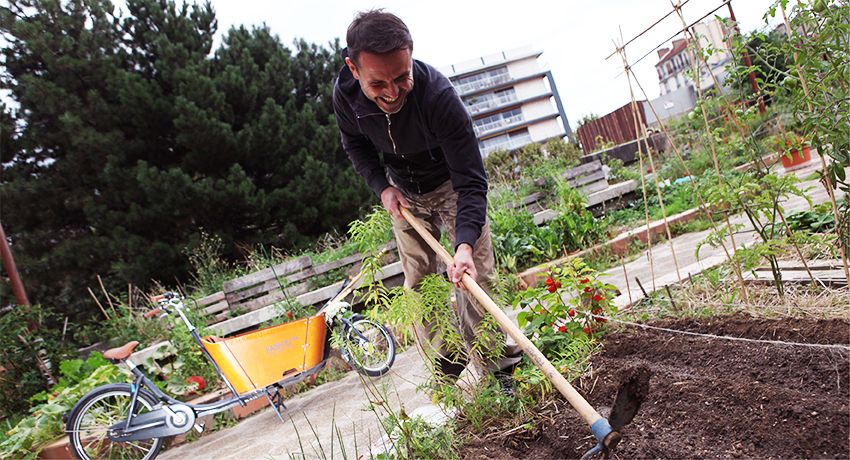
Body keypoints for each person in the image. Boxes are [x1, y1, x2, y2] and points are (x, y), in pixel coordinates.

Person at [332, 9, 523, 395]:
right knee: (419, 280)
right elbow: (355, 145)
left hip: (452, 185)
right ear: (354, 69)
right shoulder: (346, 96)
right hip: (402, 191)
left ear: (411, 55)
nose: (391, 92)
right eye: (378, 83)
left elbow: (471, 182)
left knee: (474, 277)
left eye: (401, 77)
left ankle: (499, 369)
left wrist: (464, 245)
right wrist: (381, 187)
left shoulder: (438, 97)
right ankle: (447, 361)